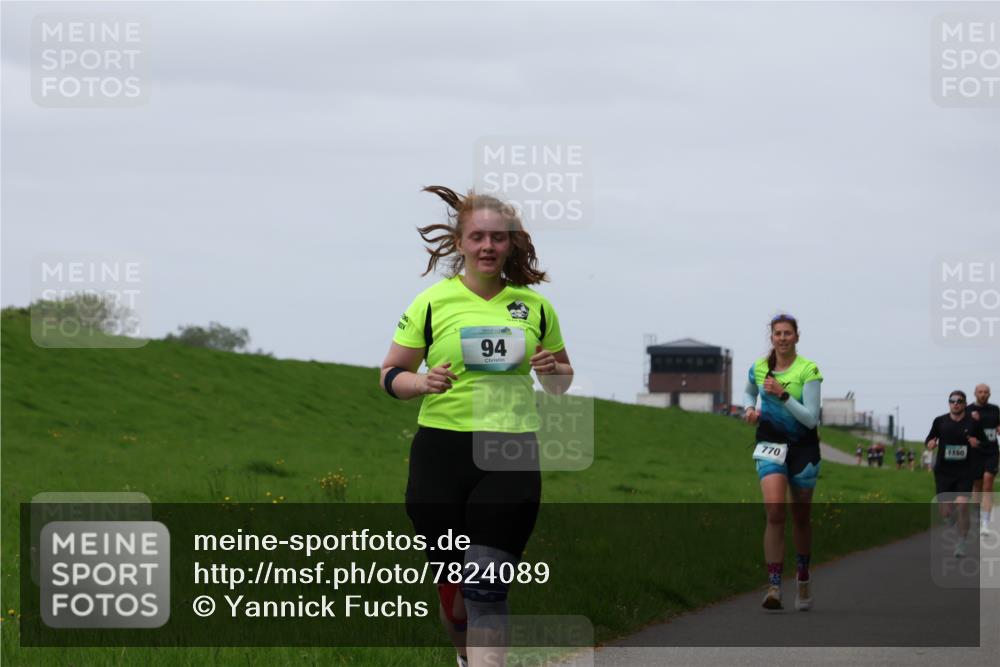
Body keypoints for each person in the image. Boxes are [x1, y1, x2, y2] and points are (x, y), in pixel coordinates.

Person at [380, 186, 572, 667]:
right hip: (440, 456)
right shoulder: (431, 303)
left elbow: (561, 382)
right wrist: (421, 382)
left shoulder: (534, 307)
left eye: (498, 238)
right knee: (455, 594)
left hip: (509, 452)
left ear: (510, 243)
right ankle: (466, 658)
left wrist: (552, 370)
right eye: (478, 237)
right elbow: (390, 374)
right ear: (460, 242)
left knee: (486, 585)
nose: (488, 246)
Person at [743, 313, 823, 611]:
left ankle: (802, 576)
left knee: (800, 516)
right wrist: (750, 409)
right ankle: (774, 585)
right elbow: (749, 390)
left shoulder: (808, 370)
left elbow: (811, 418)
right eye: (778, 333)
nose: (782, 338)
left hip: (803, 448)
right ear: (772, 337)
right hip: (770, 445)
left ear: (796, 337)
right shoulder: (759, 367)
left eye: (788, 333)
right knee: (775, 511)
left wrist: (783, 394)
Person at [925, 390, 987, 557]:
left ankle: (961, 542)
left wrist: (977, 443)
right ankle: (950, 517)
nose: (955, 404)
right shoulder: (940, 421)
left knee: (962, 505)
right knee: (946, 511)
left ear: (965, 404)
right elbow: (929, 439)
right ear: (949, 403)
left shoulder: (973, 423)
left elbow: (985, 443)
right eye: (952, 401)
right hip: (944, 471)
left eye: (959, 401)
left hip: (965, 471)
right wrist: (930, 443)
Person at [968, 383, 999, 536]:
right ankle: (976, 518)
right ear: (975, 393)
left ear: (989, 394)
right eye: (980, 392)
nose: (983, 394)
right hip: (975, 453)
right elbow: (962, 429)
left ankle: (985, 523)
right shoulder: (968, 410)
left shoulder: (995, 409)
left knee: (988, 482)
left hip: (991, 451)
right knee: (977, 486)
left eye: (986, 392)